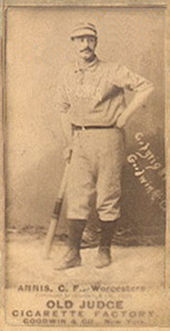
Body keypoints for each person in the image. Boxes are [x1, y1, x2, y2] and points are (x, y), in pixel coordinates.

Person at [56, 22, 154, 269]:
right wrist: (68, 142)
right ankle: (73, 254)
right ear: (73, 44)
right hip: (79, 138)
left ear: (96, 42)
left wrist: (126, 115)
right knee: (77, 197)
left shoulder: (112, 70)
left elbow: (145, 86)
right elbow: (62, 108)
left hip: (109, 138)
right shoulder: (67, 73)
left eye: (90, 39)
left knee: (108, 195)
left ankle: (104, 250)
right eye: (80, 40)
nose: (85, 45)